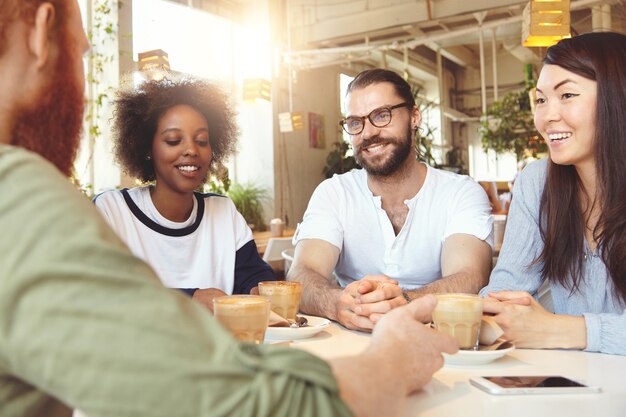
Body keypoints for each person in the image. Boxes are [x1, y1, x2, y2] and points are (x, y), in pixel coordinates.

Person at [0, 1, 458, 416]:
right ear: (42, 32)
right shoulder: (18, 195)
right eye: (82, 54)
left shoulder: (219, 212)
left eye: (202, 141)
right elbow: (233, 404)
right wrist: (391, 363)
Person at [288, 68, 493, 331]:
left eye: (381, 115)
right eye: (355, 122)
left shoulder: (460, 192)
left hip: (437, 342)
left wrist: (406, 303)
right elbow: (301, 274)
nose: (368, 133)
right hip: (350, 342)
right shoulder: (334, 192)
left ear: (414, 117)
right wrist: (335, 303)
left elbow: (470, 277)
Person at [480, 32, 626, 355]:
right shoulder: (536, 182)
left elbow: (548, 331)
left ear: (617, 99)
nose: (547, 117)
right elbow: (505, 291)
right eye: (542, 99)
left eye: (567, 95)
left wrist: (559, 329)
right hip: (571, 389)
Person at [94, 78, 274, 312]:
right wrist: (191, 299)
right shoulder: (113, 210)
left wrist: (259, 291)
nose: (191, 150)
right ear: (148, 149)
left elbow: (253, 276)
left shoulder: (223, 211)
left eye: (201, 141)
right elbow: (100, 290)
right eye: (173, 140)